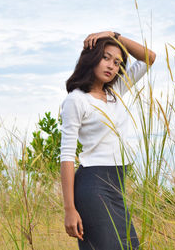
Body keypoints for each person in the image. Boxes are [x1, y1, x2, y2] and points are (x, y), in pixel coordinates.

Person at [59, 31, 156, 250]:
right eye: (106, 57)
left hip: (117, 185)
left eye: (117, 62)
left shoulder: (116, 91)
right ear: (92, 58)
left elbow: (149, 57)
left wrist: (114, 34)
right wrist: (69, 209)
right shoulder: (76, 100)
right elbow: (66, 156)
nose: (111, 66)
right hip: (93, 185)